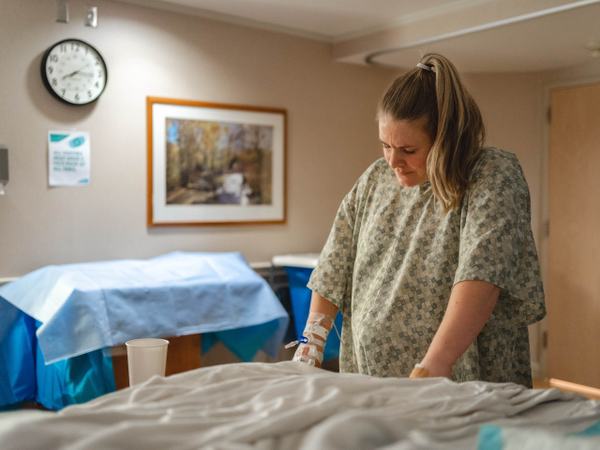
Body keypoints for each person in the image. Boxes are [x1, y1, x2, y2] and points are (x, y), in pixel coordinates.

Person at [291, 53, 545, 387]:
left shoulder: (489, 175)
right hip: (372, 379)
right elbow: (334, 263)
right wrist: (310, 344)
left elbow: (482, 273)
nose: (394, 161)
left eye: (409, 151)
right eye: (385, 145)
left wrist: (434, 364)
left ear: (447, 139)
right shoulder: (376, 178)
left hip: (457, 381)